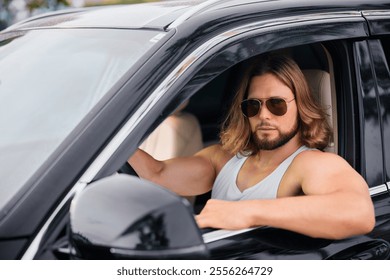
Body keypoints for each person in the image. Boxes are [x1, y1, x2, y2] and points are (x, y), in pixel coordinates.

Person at [128, 54, 375, 240]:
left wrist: (247, 212)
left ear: (301, 106)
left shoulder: (310, 164)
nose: (264, 115)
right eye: (253, 106)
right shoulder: (222, 158)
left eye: (276, 104)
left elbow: (359, 213)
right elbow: (155, 173)